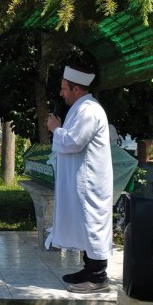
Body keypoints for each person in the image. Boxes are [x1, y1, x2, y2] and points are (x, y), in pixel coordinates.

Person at [46, 65, 113, 293]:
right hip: (82, 181)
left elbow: (74, 141)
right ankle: (88, 269)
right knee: (84, 225)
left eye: (65, 89)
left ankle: (97, 277)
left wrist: (56, 129)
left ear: (76, 89)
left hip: (90, 183)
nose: (61, 93)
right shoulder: (80, 107)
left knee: (92, 225)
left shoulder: (89, 111)